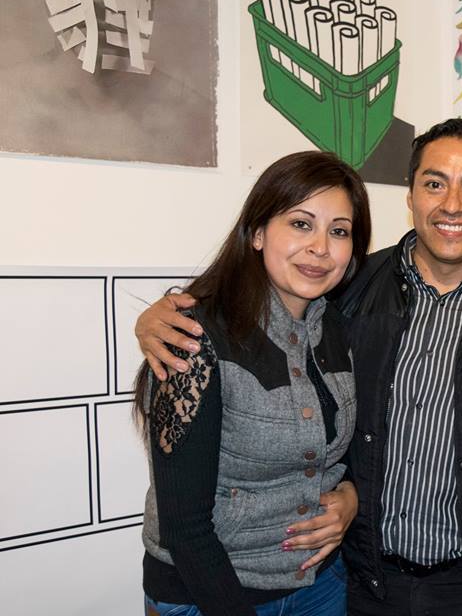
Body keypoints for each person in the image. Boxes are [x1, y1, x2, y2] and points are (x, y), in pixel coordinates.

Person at [135, 119, 462, 616]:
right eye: (434, 184)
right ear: (410, 195)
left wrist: (346, 493)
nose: (452, 205)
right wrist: (159, 318)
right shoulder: (346, 289)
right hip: (364, 583)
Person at [135, 151, 371, 616]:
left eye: (339, 231)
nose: (320, 247)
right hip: (207, 593)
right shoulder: (193, 337)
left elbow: (349, 451)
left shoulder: (339, 330)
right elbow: (185, 528)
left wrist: (351, 496)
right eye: (301, 224)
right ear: (258, 232)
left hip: (319, 583)